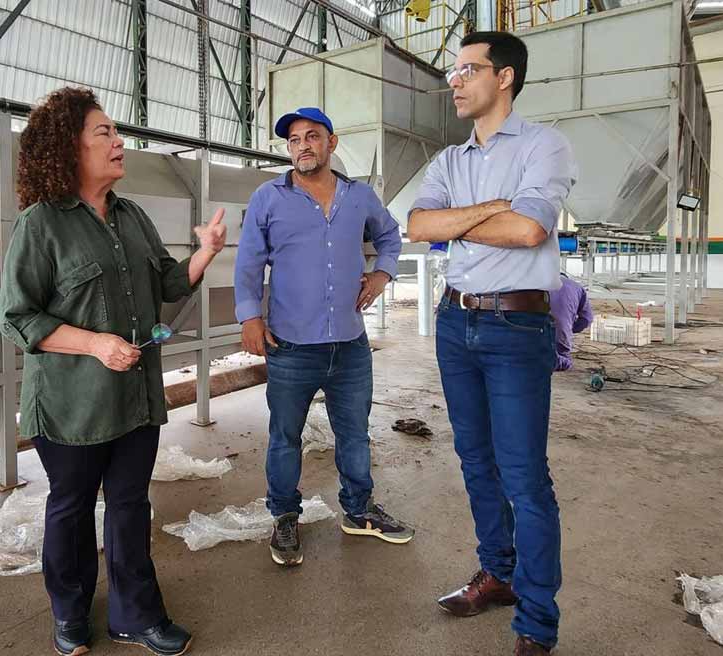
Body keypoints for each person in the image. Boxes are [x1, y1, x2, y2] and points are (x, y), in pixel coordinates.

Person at [0, 87, 226, 656]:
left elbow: (167, 284)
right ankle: (71, 614)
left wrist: (206, 253)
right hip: (72, 402)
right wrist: (95, 344)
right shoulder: (40, 225)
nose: (119, 141)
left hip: (135, 399)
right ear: (67, 148)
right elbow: (17, 316)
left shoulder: (132, 215)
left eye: (116, 132)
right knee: (71, 508)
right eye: (104, 132)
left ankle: (137, 614)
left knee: (130, 505)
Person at [407, 32, 578, 656]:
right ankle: (498, 573)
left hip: (515, 328)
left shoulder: (544, 145)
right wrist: (490, 210)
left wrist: (464, 222)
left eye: (467, 70)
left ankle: (536, 623)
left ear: (504, 77)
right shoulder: (448, 161)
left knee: (524, 476)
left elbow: (531, 228)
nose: (454, 81)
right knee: (475, 462)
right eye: (453, 71)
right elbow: (420, 225)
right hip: (456, 325)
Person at [233, 107, 413, 568]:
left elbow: (391, 237)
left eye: (311, 137)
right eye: (293, 140)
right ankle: (285, 516)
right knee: (284, 437)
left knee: (354, 434)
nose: (302, 146)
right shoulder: (268, 198)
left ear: (332, 143)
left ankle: (358, 510)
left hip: (350, 344)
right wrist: (250, 317)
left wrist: (381, 276)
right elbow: (249, 262)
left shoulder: (360, 197)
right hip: (291, 346)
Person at [549, 272, 593, 372]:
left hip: (536, 336)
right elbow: (587, 319)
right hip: (561, 337)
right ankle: (556, 361)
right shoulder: (577, 288)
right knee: (564, 360)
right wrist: (571, 329)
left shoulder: (539, 285)